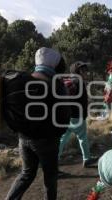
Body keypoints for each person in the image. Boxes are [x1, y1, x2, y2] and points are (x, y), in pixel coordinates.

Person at [5, 47, 69, 200]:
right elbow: (63, 115)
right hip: (46, 140)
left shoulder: (24, 80)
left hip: (23, 138)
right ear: (54, 64)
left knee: (26, 173)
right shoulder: (55, 85)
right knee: (50, 177)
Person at [58, 61, 98, 168]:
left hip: (67, 115)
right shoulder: (78, 82)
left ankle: (54, 159)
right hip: (77, 115)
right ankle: (87, 159)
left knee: (63, 138)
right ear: (79, 71)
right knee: (82, 137)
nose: (86, 72)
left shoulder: (69, 80)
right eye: (84, 70)